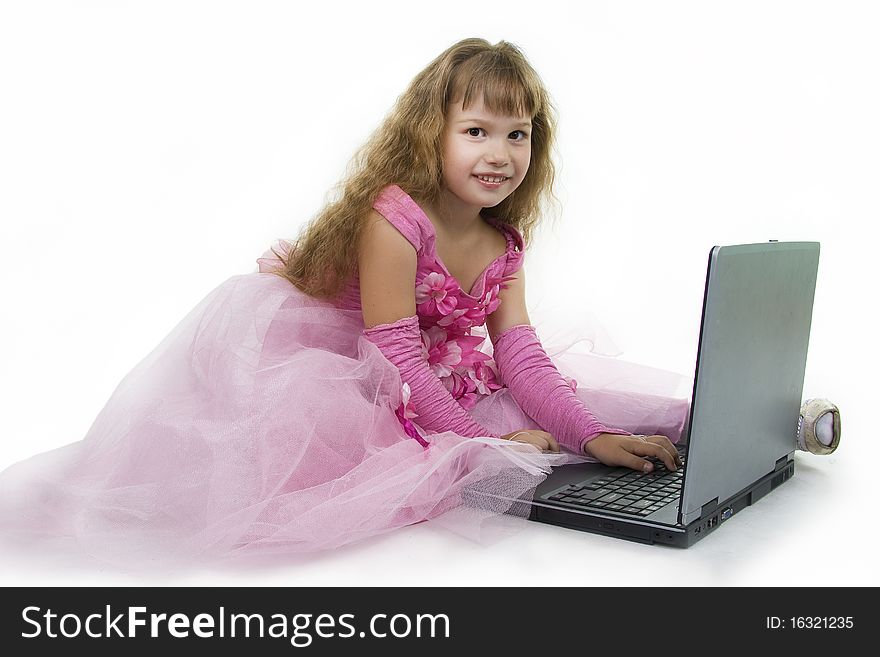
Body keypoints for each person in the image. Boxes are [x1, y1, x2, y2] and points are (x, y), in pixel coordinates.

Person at [0, 38, 693, 569]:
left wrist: (588, 434)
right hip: (346, 359)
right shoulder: (395, 218)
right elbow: (392, 354)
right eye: (477, 130)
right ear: (433, 134)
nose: (500, 152)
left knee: (585, 417)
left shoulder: (501, 240)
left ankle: (755, 419)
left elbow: (519, 352)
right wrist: (481, 445)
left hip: (427, 371)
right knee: (424, 448)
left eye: (518, 134)